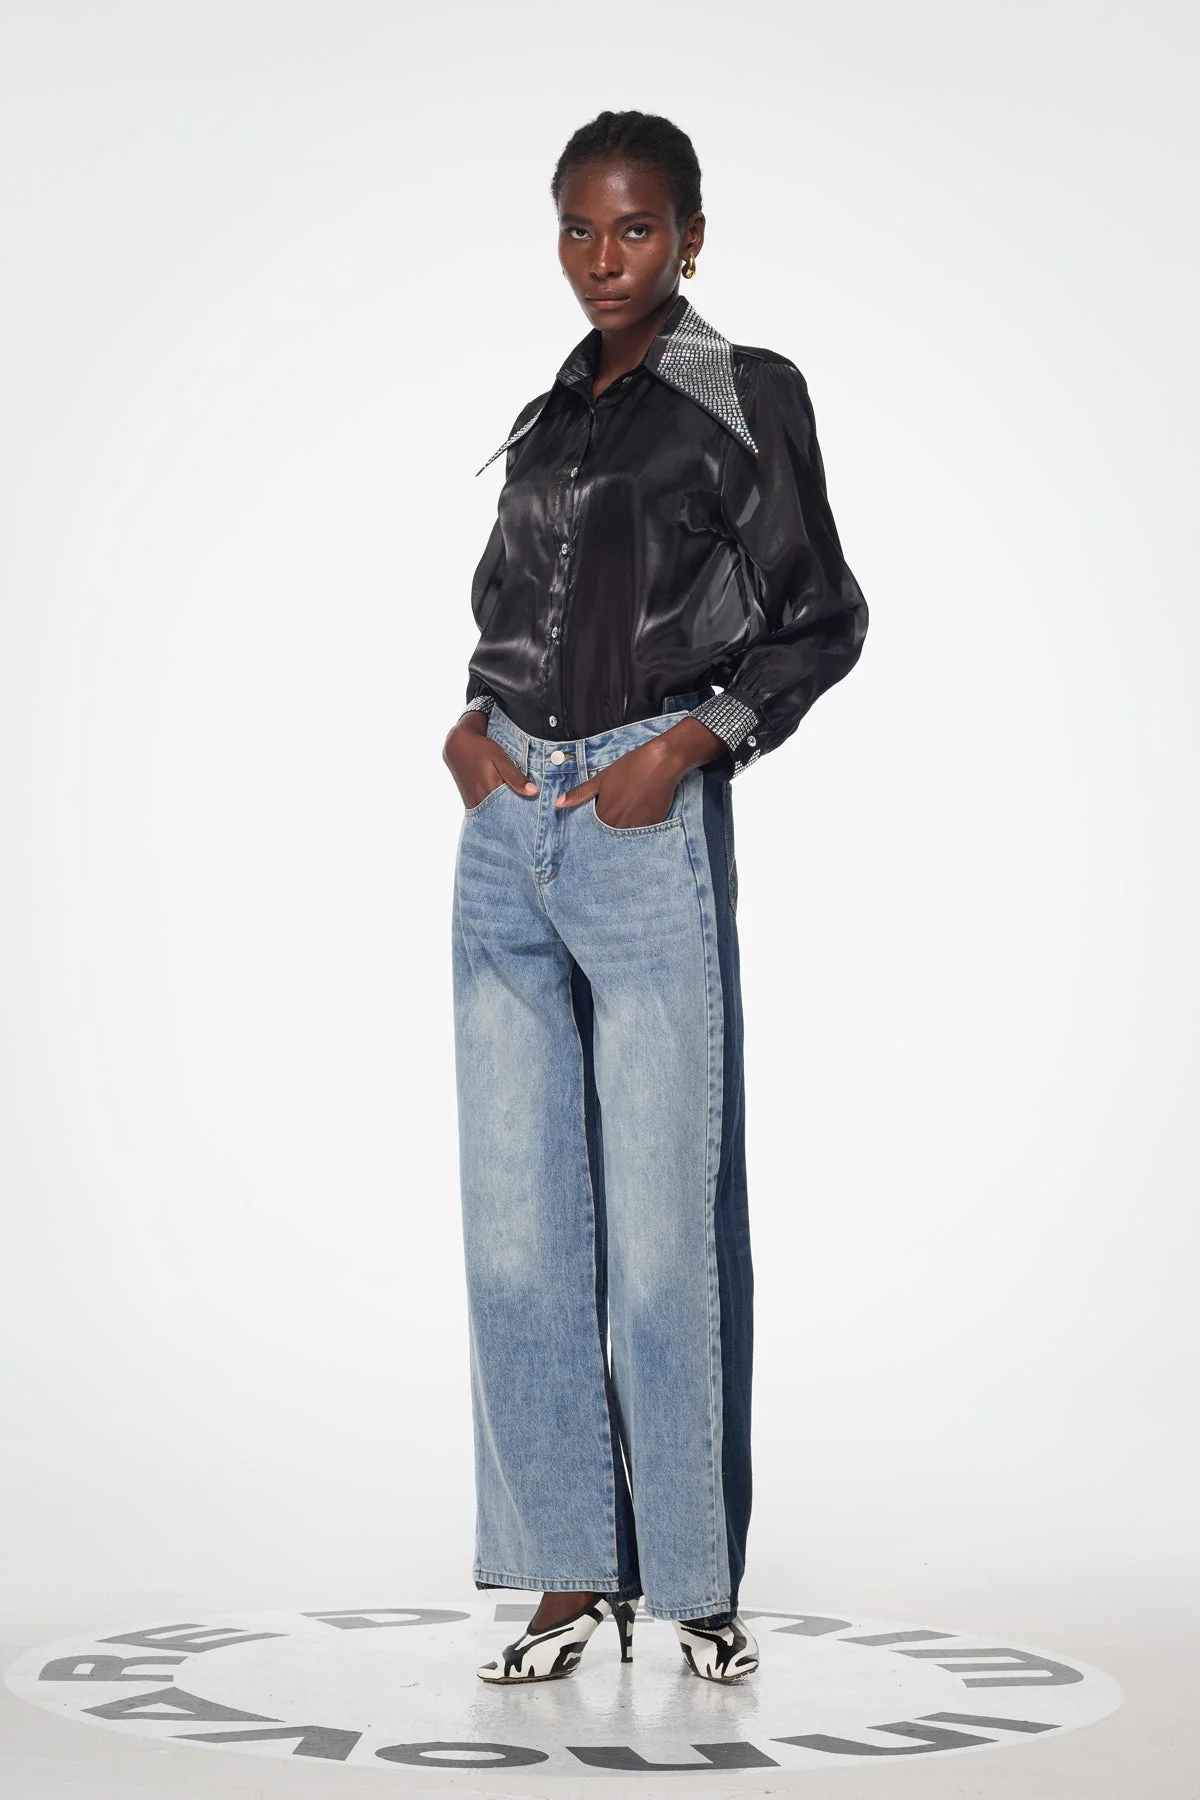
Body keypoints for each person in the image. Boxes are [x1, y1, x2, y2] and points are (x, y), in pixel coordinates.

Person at [443, 110, 867, 1685]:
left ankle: (690, 1576)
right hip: (508, 825)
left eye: (634, 229)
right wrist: (468, 732)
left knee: (667, 1231)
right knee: (517, 1233)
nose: (602, 259)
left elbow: (821, 616)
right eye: (578, 229)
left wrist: (687, 747)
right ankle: (570, 1574)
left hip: (640, 818)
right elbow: (512, 606)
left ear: (691, 234)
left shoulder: (743, 392)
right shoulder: (553, 413)